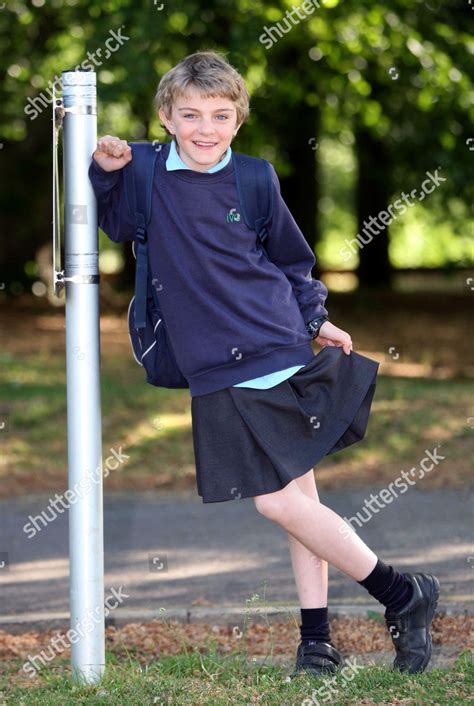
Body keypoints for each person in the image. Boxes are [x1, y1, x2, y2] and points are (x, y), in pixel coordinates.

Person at [88, 50, 440, 679]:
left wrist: (317, 322)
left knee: (281, 502)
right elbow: (117, 227)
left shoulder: (254, 178)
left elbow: (291, 261)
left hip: (276, 343)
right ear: (165, 116)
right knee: (300, 501)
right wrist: (108, 171)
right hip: (210, 361)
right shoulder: (142, 169)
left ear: (238, 120)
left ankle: (401, 594)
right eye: (191, 114)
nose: (205, 128)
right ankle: (319, 640)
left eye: (221, 115)